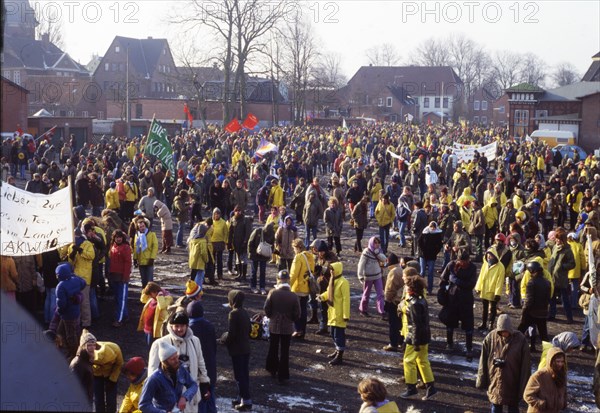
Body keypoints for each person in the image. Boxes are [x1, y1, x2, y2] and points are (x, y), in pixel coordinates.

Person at [148, 311, 211, 413]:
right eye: (176, 326)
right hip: (168, 401)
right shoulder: (159, 344)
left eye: (182, 326)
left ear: (187, 326)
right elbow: (152, 372)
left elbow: (201, 364)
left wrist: (204, 385)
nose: (179, 329)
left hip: (191, 398)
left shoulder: (195, 341)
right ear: (170, 326)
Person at [476, 314, 531, 413]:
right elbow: (483, 361)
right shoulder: (491, 338)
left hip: (513, 381)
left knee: (513, 407)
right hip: (495, 380)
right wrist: (481, 380)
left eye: (506, 331)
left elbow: (526, 366)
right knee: (496, 405)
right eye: (501, 331)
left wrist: (524, 387)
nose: (504, 333)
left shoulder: (521, 340)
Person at [399, 275, 437, 400]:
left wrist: (414, 342)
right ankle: (431, 387)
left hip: (415, 337)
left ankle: (411, 387)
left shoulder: (414, 304)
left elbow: (416, 324)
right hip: (424, 336)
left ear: (412, 289)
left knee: (408, 361)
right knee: (423, 360)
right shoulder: (421, 300)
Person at [139, 342, 199, 413]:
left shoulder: (181, 370)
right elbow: (143, 405)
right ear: (164, 362)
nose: (177, 361)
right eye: (172, 359)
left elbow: (193, 385)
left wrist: (184, 397)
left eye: (177, 357)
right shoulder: (154, 379)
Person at [439, 250, 478, 361]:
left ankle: (469, 348)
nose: (463, 264)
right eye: (461, 261)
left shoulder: (472, 268)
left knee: (468, 325)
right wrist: (442, 293)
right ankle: (449, 343)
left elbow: (470, 284)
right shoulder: (451, 265)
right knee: (450, 322)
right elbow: (443, 279)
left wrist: (456, 280)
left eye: (465, 261)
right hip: (452, 298)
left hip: (466, 300)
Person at [264, 269, 301, 384]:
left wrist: (272, 317)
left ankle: (272, 369)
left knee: (273, 347)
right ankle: (283, 375)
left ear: (278, 280)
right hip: (287, 327)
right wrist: (291, 319)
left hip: (274, 325)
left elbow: (267, 308)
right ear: (288, 280)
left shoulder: (272, 293)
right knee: (285, 351)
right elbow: (297, 313)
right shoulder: (293, 296)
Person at [220, 290, 252, 411]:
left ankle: (246, 401)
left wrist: (224, 340)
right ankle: (241, 397)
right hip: (245, 348)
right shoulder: (244, 312)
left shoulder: (233, 314)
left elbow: (231, 334)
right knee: (244, 374)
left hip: (237, 350)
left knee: (239, 377)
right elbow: (249, 330)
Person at [187, 300, 218, 413]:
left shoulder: (189, 330)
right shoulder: (209, 326)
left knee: (199, 401)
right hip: (210, 367)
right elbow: (214, 348)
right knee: (210, 398)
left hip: (197, 371)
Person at [318, 261, 350, 366]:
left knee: (338, 335)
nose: (330, 271)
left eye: (332, 269)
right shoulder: (333, 280)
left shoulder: (343, 282)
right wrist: (322, 297)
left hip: (339, 313)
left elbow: (346, 299)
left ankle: (340, 355)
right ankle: (337, 350)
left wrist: (346, 315)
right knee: (332, 333)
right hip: (333, 312)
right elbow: (329, 292)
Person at [516, 261, 551, 353]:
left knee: (519, 331)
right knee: (544, 335)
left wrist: (524, 312)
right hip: (543, 312)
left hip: (531, 312)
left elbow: (529, 300)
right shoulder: (547, 282)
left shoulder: (531, 283)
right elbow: (548, 298)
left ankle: (513, 347)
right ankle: (548, 352)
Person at [55, 263, 86, 359]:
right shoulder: (75, 281)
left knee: (70, 336)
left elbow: (61, 304)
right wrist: (73, 275)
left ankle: (75, 354)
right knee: (61, 331)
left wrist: (59, 311)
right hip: (75, 311)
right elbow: (83, 283)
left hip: (67, 314)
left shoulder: (60, 286)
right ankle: (65, 349)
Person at [87, 330, 123, 413]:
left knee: (111, 398)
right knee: (98, 398)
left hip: (111, 373)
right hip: (96, 374)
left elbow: (119, 365)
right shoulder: (88, 351)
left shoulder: (116, 349)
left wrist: (112, 379)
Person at [523, 348, 567, 413]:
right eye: (558, 361)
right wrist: (542, 404)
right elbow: (527, 395)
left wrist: (563, 402)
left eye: (562, 361)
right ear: (551, 361)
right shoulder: (538, 376)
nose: (560, 364)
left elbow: (564, 392)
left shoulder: (562, 375)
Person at [548, 228, 575, 323]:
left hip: (561, 278)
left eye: (559, 239)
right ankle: (552, 314)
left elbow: (572, 263)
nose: (557, 241)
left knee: (565, 299)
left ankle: (569, 317)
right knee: (551, 298)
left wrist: (562, 266)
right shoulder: (555, 247)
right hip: (552, 276)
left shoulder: (567, 250)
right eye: (556, 239)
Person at [289, 238, 315, 339]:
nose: (294, 251)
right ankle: (302, 331)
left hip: (298, 288)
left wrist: (287, 286)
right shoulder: (310, 256)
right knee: (303, 310)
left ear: (298, 247)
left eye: (294, 248)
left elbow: (293, 274)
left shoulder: (299, 257)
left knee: (296, 311)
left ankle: (297, 330)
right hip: (306, 287)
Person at [475, 249, 506, 331]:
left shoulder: (500, 267)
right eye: (487, 255)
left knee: (492, 309)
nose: (488, 257)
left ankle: (490, 324)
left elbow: (500, 281)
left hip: (492, 291)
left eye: (490, 255)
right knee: (484, 308)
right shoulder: (485, 264)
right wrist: (478, 287)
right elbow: (481, 276)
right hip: (484, 289)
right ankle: (484, 323)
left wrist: (497, 293)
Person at [357, 237, 387, 318]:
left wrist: (378, 254)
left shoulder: (379, 251)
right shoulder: (366, 252)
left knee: (380, 294)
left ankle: (381, 311)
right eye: (375, 243)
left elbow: (385, 260)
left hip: (378, 276)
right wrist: (360, 276)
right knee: (366, 294)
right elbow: (361, 265)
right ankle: (363, 310)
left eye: (378, 243)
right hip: (368, 277)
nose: (377, 244)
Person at [107, 230, 132, 328]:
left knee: (121, 299)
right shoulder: (113, 246)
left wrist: (125, 277)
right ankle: (125, 315)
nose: (118, 239)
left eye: (120, 237)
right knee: (118, 298)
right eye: (117, 237)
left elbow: (128, 263)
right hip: (114, 276)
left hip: (122, 277)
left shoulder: (126, 247)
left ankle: (119, 319)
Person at [383, 253, 404, 351]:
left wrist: (387, 301)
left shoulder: (393, 272)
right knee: (400, 322)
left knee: (393, 323)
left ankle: (393, 343)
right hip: (401, 301)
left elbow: (389, 289)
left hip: (394, 301)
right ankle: (401, 341)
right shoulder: (401, 270)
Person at [247, 222, 275, 294]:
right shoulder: (257, 231)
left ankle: (262, 287)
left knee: (262, 271)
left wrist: (270, 252)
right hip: (255, 254)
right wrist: (250, 253)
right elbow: (250, 242)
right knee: (254, 271)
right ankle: (253, 286)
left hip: (264, 255)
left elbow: (272, 244)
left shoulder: (272, 233)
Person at [418, 221, 444, 294]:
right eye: (431, 227)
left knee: (430, 273)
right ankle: (420, 289)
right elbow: (419, 242)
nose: (432, 229)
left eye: (433, 227)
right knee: (422, 272)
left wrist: (435, 252)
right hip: (423, 255)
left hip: (432, 256)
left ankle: (429, 290)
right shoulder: (424, 232)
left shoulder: (437, 234)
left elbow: (439, 245)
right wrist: (422, 251)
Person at [132, 218, 158, 288]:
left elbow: (155, 246)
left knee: (150, 281)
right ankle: (144, 295)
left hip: (149, 260)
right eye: (140, 227)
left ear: (146, 226)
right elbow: (135, 247)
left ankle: (151, 295)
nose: (142, 228)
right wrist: (135, 258)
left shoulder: (151, 234)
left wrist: (152, 258)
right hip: (141, 260)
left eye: (143, 226)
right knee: (143, 281)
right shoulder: (137, 235)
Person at [188, 223, 210, 288]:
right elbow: (203, 252)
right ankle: (198, 289)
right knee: (200, 275)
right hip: (199, 262)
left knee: (193, 275)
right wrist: (206, 260)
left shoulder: (192, 240)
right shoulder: (202, 241)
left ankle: (190, 288)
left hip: (192, 260)